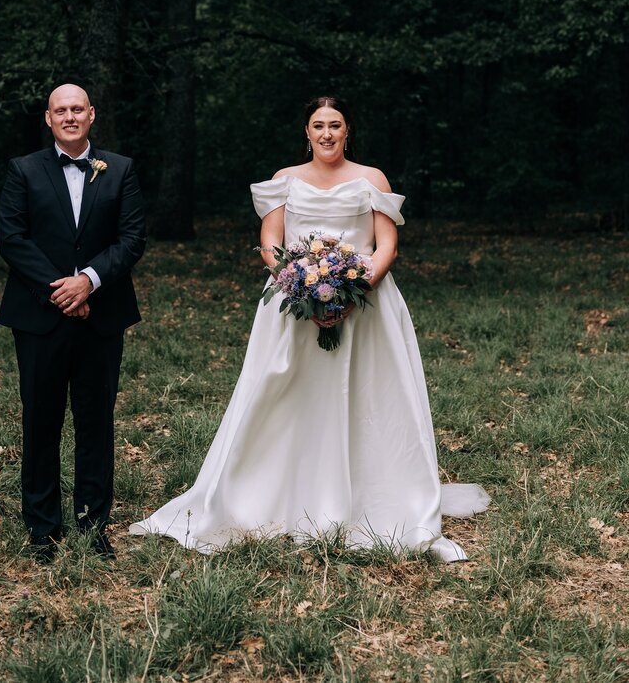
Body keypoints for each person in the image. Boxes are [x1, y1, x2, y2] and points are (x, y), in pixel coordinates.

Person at [130, 96, 489, 561]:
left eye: (335, 125)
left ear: (347, 131)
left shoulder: (371, 179)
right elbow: (270, 241)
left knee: (365, 398)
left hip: (367, 308)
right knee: (286, 397)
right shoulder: (284, 181)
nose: (326, 134)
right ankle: (271, 496)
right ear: (306, 132)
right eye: (318, 125)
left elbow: (386, 246)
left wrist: (351, 289)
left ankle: (372, 499)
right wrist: (296, 284)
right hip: (294, 307)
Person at [0, 83, 145, 562]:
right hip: (40, 317)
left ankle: (93, 524)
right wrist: (61, 289)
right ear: (48, 118)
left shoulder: (120, 169)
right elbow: (12, 238)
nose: (69, 116)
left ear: (91, 114)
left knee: (96, 421)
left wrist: (89, 281)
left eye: (77, 108)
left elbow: (132, 238)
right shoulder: (24, 170)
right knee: (41, 419)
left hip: (101, 316)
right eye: (60, 110)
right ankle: (42, 528)